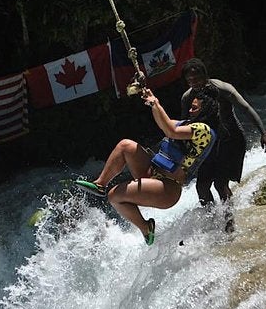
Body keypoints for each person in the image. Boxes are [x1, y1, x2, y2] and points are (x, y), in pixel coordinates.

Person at [75, 85, 220, 246]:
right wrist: (152, 100)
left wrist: (156, 103)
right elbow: (164, 123)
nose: (191, 111)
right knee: (126, 146)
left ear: (205, 110)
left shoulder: (204, 130)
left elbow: (170, 131)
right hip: (153, 174)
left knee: (114, 196)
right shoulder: (188, 124)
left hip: (167, 189)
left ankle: (145, 227)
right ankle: (100, 184)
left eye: (194, 108)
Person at [180, 58, 266, 232]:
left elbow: (245, 108)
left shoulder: (222, 89)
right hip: (208, 144)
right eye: (190, 80)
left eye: (197, 78)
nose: (194, 83)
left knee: (220, 184)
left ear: (205, 75)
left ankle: (229, 223)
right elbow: (185, 123)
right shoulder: (188, 97)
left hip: (231, 140)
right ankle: (212, 221)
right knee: (202, 186)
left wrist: (263, 132)